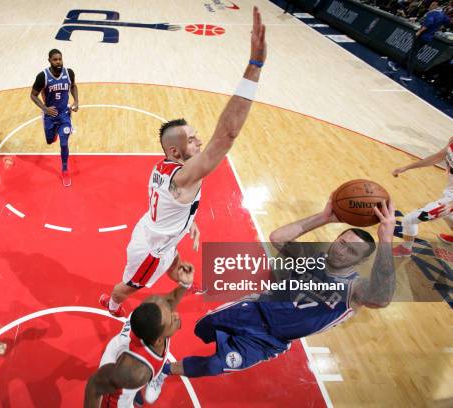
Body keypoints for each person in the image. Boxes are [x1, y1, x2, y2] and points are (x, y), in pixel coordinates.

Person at [98, 6, 267, 319]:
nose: (200, 142)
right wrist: (254, 67)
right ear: (175, 153)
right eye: (192, 140)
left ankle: (182, 281)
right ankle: (111, 305)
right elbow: (227, 135)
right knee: (129, 287)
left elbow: (176, 200)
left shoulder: (165, 167)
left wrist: (190, 222)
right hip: (152, 249)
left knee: (179, 269)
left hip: (157, 233)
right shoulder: (183, 178)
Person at [145, 195, 396, 403]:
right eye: (341, 242)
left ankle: (164, 371)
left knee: (215, 365)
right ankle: (156, 352)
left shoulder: (356, 288)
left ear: (362, 261)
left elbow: (381, 299)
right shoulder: (312, 257)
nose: (341, 251)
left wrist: (386, 240)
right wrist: (323, 217)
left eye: (351, 251)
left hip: (271, 340)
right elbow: (278, 237)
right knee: (201, 330)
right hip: (251, 309)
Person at [84, 262, 194, 408]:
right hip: (117, 395)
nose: (176, 315)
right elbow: (94, 386)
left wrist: (185, 285)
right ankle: (134, 389)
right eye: (172, 320)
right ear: (159, 340)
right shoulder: (136, 371)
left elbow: (169, 301)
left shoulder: (154, 308)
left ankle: (142, 385)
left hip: (126, 359)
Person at [391, 136, 453, 254]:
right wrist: (406, 167)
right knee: (449, 217)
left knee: (408, 220)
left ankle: (405, 249)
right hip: (449, 194)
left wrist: (451, 204)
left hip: (451, 202)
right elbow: (437, 157)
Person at [30, 49, 79, 187]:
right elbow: (33, 95)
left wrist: (76, 101)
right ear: (49, 61)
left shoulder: (69, 73)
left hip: (64, 114)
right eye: (55, 60)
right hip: (50, 115)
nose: (58, 62)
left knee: (64, 143)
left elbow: (73, 86)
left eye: (60, 59)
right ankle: (54, 134)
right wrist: (45, 109)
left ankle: (64, 169)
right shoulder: (42, 76)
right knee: (50, 141)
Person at [401, 1, 451, 81]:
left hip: (422, 36)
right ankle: (396, 65)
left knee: (412, 56)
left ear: (435, 5)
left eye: (431, 4)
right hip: (429, 38)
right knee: (412, 51)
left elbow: (427, 24)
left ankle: (408, 75)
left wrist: (418, 33)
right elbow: (448, 23)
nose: (430, 6)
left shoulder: (431, 13)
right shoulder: (443, 15)